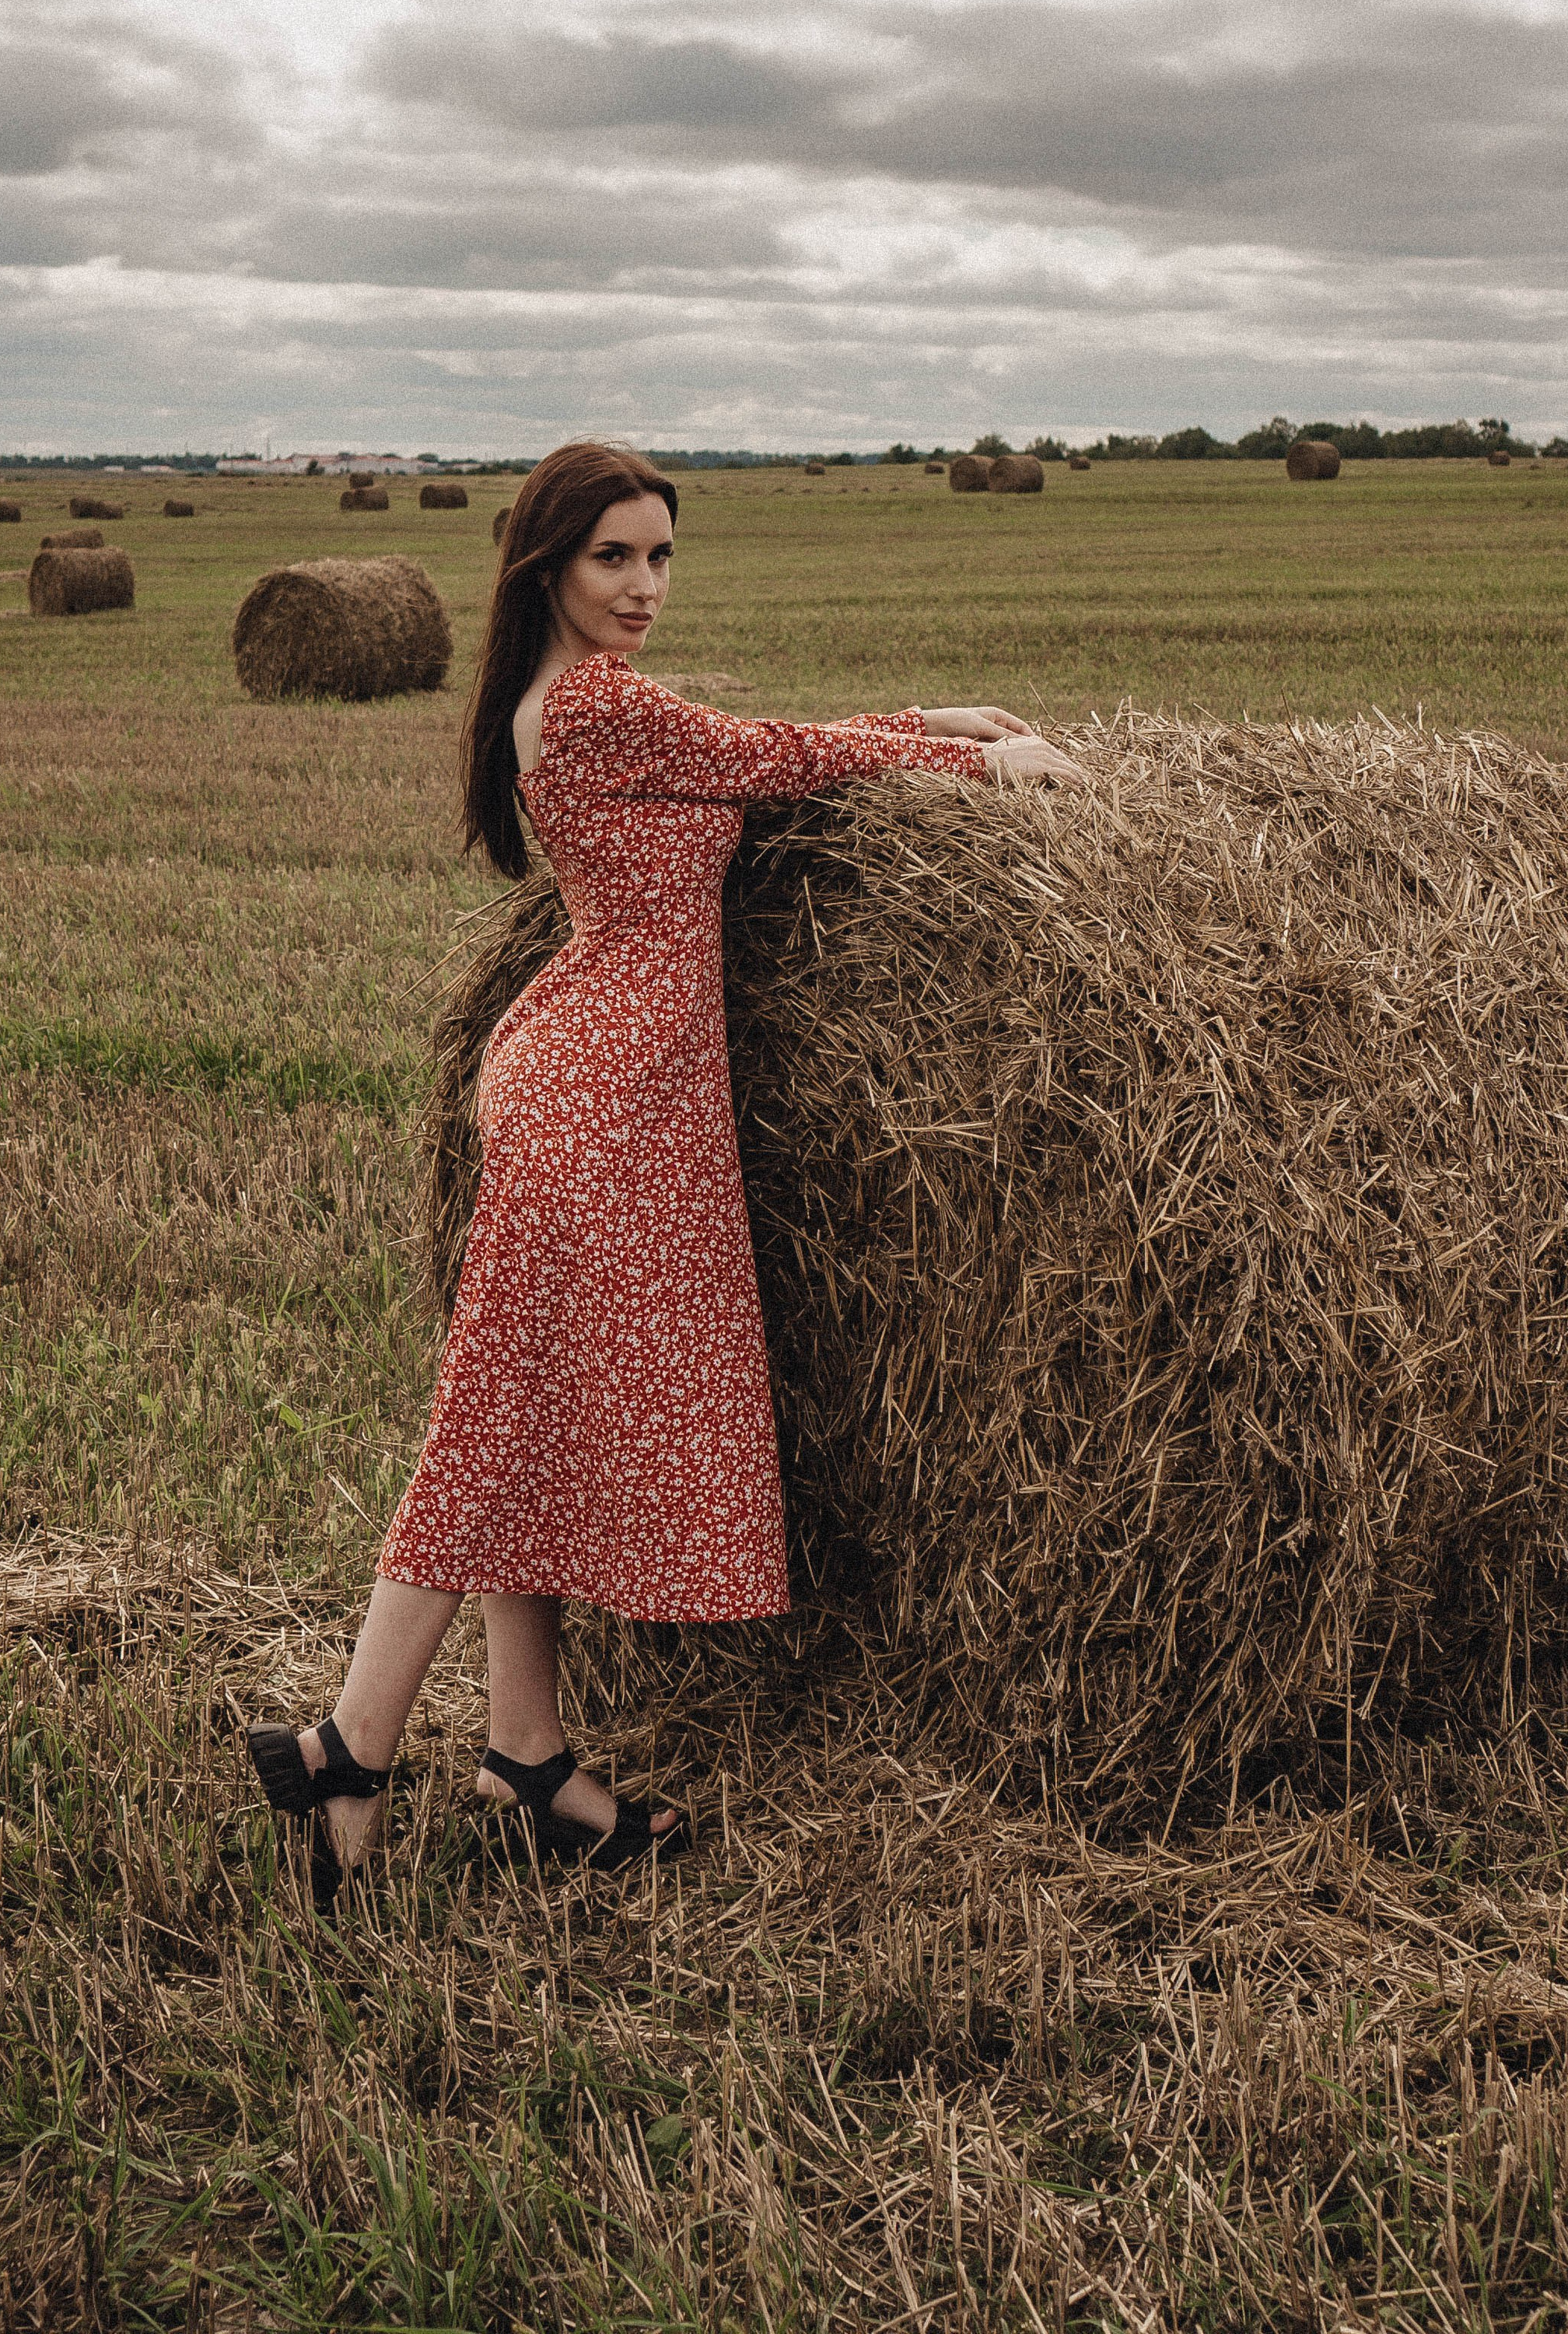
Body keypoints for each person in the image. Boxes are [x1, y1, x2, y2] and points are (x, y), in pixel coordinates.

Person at [250, 440, 1082, 1889]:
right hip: (601, 1104)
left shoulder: (593, 706)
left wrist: (927, 712)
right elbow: (773, 759)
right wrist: (974, 761)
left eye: (660, 556)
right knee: (492, 1431)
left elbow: (754, 748)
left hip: (605, 1083)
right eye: (612, 559)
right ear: (547, 567)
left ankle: (527, 1753)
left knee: (532, 1422)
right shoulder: (590, 708)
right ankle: (348, 1748)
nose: (643, 587)